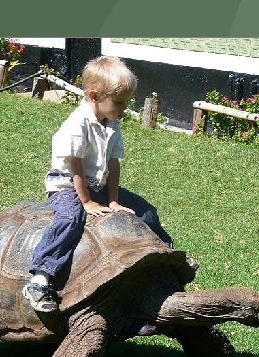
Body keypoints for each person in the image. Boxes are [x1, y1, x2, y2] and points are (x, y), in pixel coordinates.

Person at [23, 55, 173, 312]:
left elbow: (114, 164)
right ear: (94, 96)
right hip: (67, 184)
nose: (124, 109)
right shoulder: (77, 124)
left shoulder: (111, 123)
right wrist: (86, 202)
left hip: (98, 184)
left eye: (126, 102)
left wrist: (113, 200)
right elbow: (76, 167)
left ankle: (166, 258)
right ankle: (40, 278)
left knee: (144, 209)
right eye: (119, 102)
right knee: (70, 220)